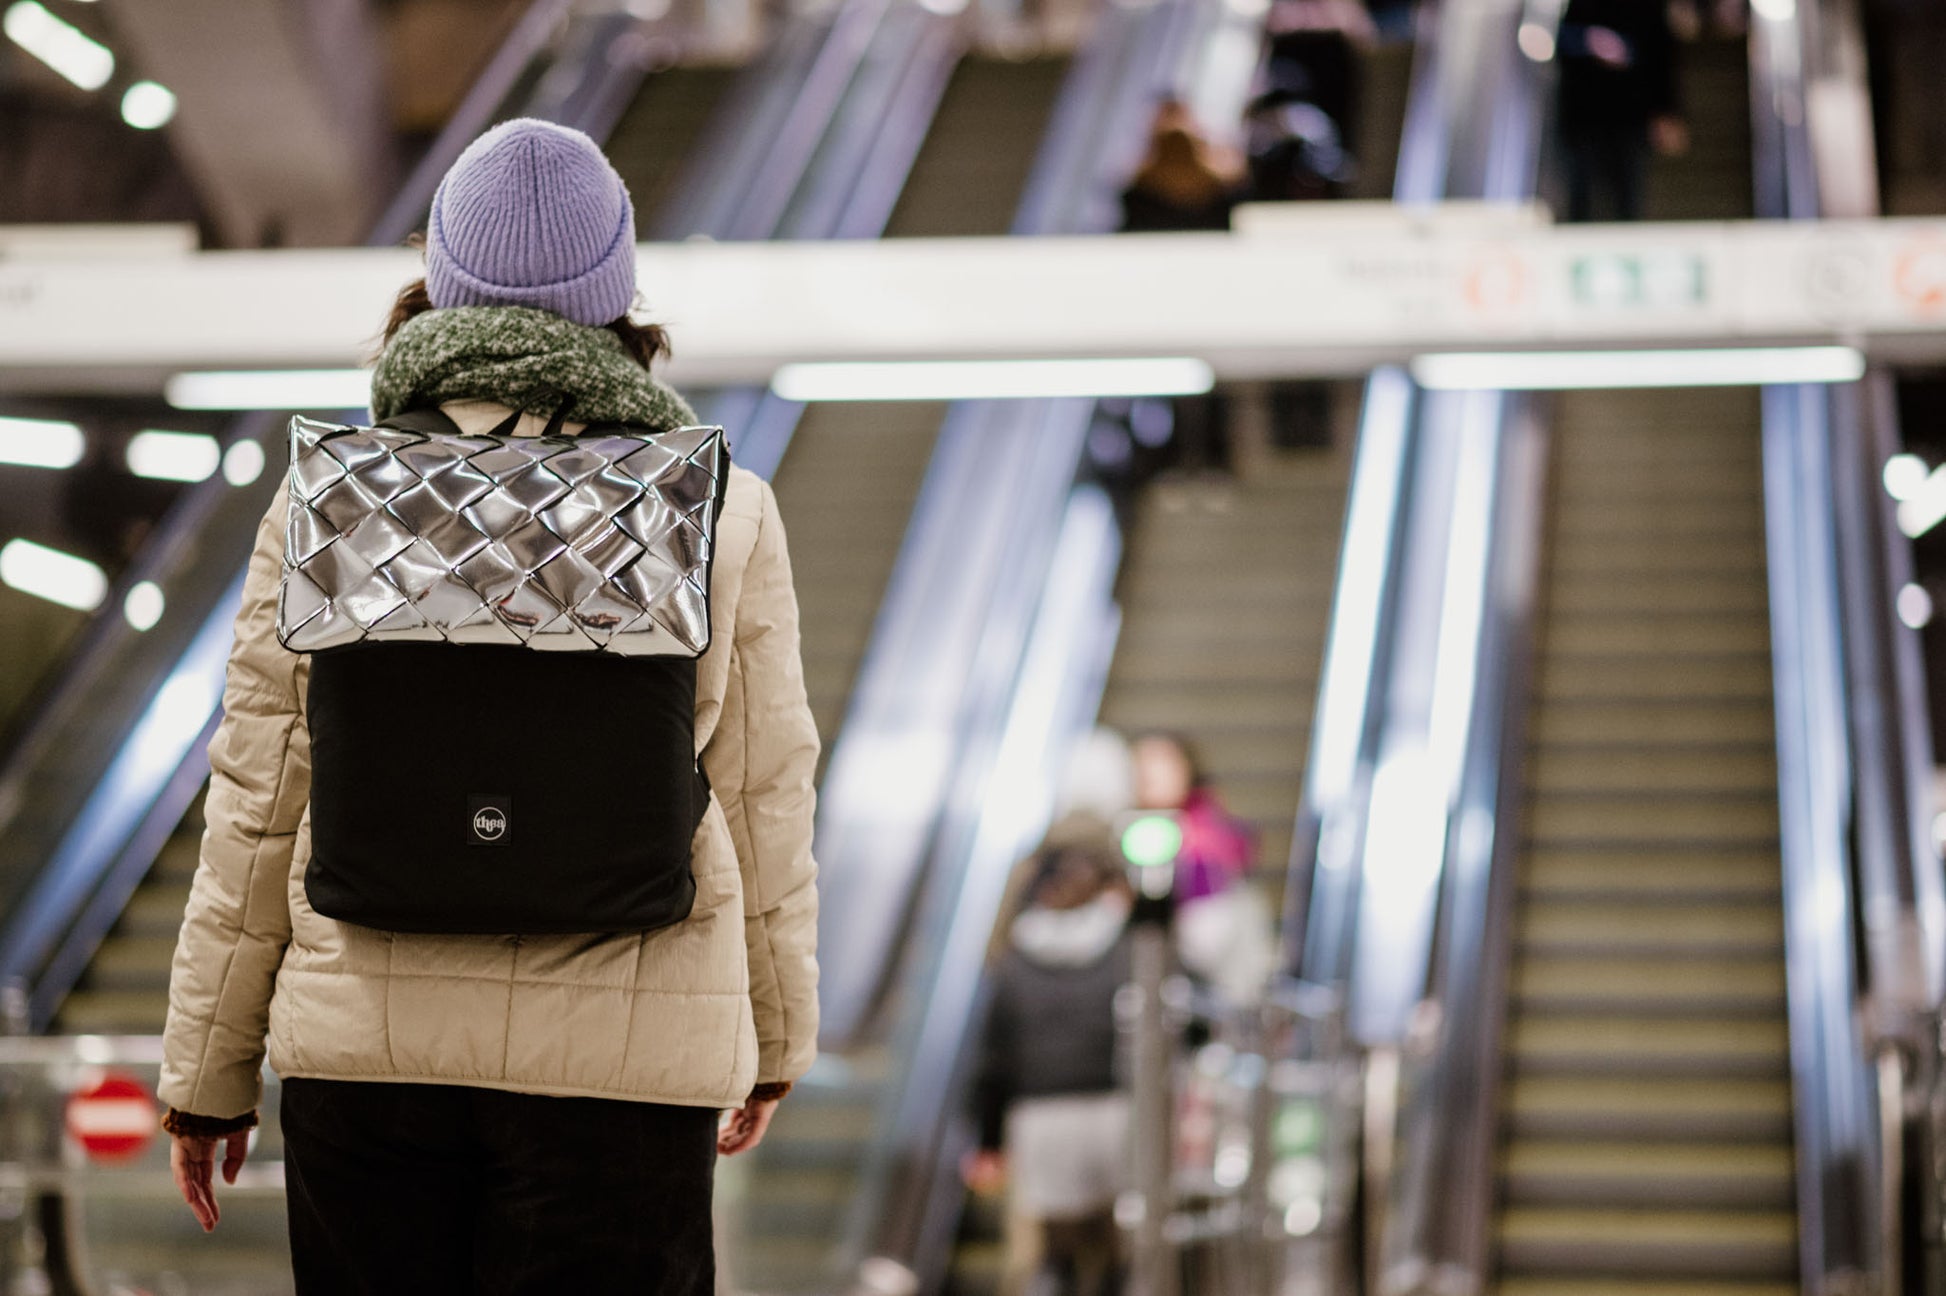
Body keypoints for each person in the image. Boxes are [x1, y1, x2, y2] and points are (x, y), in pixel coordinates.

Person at [157, 118, 821, 1294]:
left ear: (436, 281)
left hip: (367, 1062)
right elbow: (764, 795)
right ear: (618, 295)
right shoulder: (719, 506)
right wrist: (774, 1039)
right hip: (623, 1076)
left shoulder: (327, 496)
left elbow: (259, 802)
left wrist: (208, 1072)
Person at [968, 832, 1135, 1296]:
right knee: (1118, 1256)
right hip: (1118, 1114)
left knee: (1051, 1255)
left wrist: (988, 1141)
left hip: (1039, 1122)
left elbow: (994, 1060)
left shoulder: (1014, 958)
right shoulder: (1129, 949)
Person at [1129, 731, 1273, 1003]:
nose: (1150, 773)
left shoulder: (1209, 832)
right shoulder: (1120, 830)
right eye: (1142, 763)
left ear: (1186, 768)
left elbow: (1212, 935)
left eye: (1162, 762)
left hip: (1208, 977)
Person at [1555, 0, 1689, 222]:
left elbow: (1662, 57)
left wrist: (1667, 111)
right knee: (1581, 196)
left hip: (1630, 116)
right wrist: (1589, 40)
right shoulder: (1581, 6)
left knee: (1628, 197)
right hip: (1584, 114)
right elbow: (1557, 40)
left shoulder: (1648, 8)